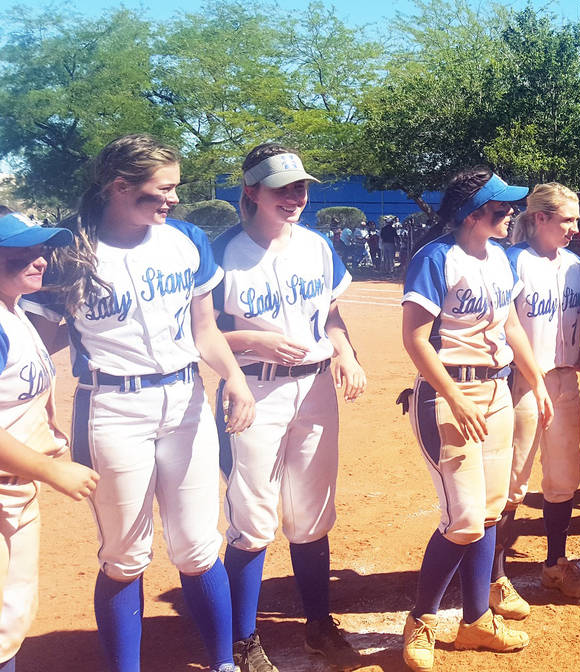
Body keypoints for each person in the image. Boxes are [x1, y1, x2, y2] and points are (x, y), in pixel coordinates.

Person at [22, 134, 256, 672]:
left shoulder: (186, 238)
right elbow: (37, 340)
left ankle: (223, 663)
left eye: (175, 188)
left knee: (199, 547)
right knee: (126, 556)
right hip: (112, 409)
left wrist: (236, 379)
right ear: (119, 187)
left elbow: (205, 329)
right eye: (162, 189)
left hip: (187, 402)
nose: (172, 199)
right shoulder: (71, 250)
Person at [211, 143, 367, 671]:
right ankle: (243, 639)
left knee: (312, 513)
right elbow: (195, 334)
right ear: (252, 192)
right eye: (282, 189)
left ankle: (318, 625)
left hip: (316, 388)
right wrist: (252, 341)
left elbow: (332, 316)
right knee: (253, 518)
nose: (295, 197)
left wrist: (345, 354)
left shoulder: (317, 247)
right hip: (254, 391)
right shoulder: (220, 252)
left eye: (301, 187)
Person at [400, 167, 552, 672]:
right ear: (473, 213)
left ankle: (476, 621)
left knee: (490, 511)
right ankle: (421, 621)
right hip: (449, 395)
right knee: (463, 520)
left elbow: (511, 327)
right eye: (501, 207)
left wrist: (537, 383)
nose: (511, 214)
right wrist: (454, 395)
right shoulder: (437, 258)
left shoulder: (502, 259)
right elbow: (417, 339)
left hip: (496, 389)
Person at [0, 212, 100, 672]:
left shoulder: (12, 311)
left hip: (15, 491)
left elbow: (27, 364)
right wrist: (53, 471)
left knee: (10, 616)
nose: (40, 258)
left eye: (40, 248)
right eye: (22, 251)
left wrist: (71, 307)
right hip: (9, 487)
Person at [491, 183, 580, 614]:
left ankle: (555, 563)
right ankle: (495, 576)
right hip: (519, 383)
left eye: (574, 219)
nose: (575, 227)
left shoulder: (574, 264)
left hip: (564, 380)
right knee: (511, 482)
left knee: (563, 476)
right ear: (540, 219)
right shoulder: (510, 261)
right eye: (567, 220)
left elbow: (578, 314)